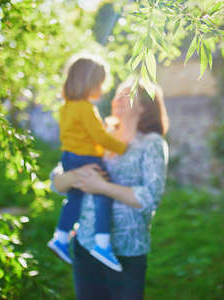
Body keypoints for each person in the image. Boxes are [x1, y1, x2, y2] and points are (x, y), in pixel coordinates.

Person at [51, 80, 169, 299]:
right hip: (85, 245)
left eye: (127, 95)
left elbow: (150, 197)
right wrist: (74, 175)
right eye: (117, 95)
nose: (118, 99)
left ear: (144, 106)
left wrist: (102, 187)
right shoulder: (99, 134)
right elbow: (57, 182)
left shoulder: (151, 144)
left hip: (127, 250)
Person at [48, 55, 128, 272]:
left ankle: (61, 237)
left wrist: (107, 129)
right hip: (87, 159)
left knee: (74, 197)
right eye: (100, 84)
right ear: (89, 83)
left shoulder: (66, 107)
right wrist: (123, 147)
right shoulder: (85, 108)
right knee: (103, 194)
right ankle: (102, 245)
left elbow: (86, 134)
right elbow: (99, 138)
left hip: (69, 157)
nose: (102, 89)